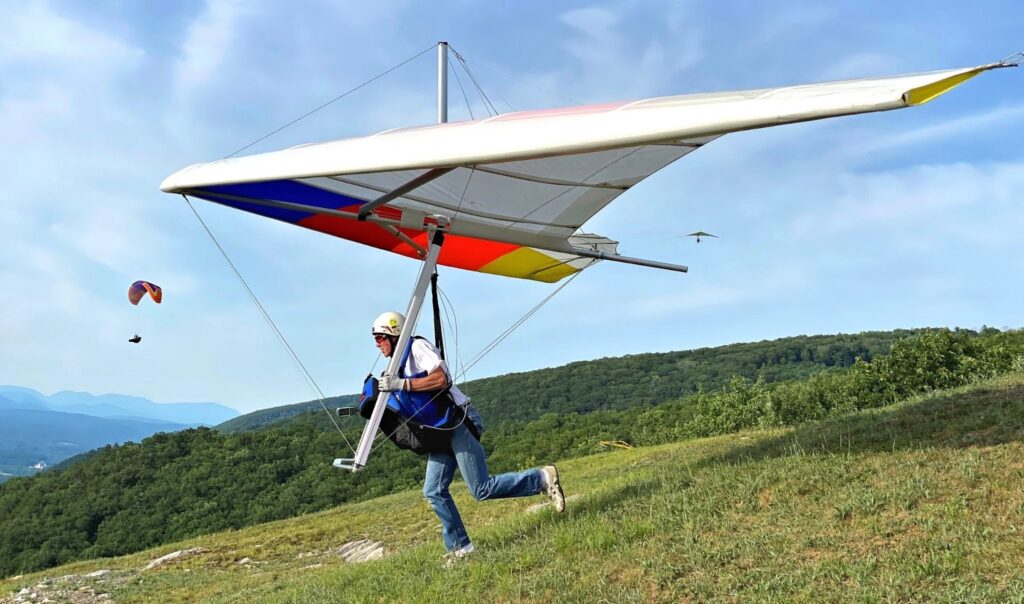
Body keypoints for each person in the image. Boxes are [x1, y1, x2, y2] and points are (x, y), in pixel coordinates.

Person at [369, 310, 566, 565]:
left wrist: (402, 385)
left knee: (481, 489)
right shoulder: (397, 366)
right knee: (433, 490)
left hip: (460, 421)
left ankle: (542, 478)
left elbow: (441, 378)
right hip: (440, 431)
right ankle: (461, 549)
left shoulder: (417, 347)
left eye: (380, 337)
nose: (376, 343)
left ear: (394, 334)